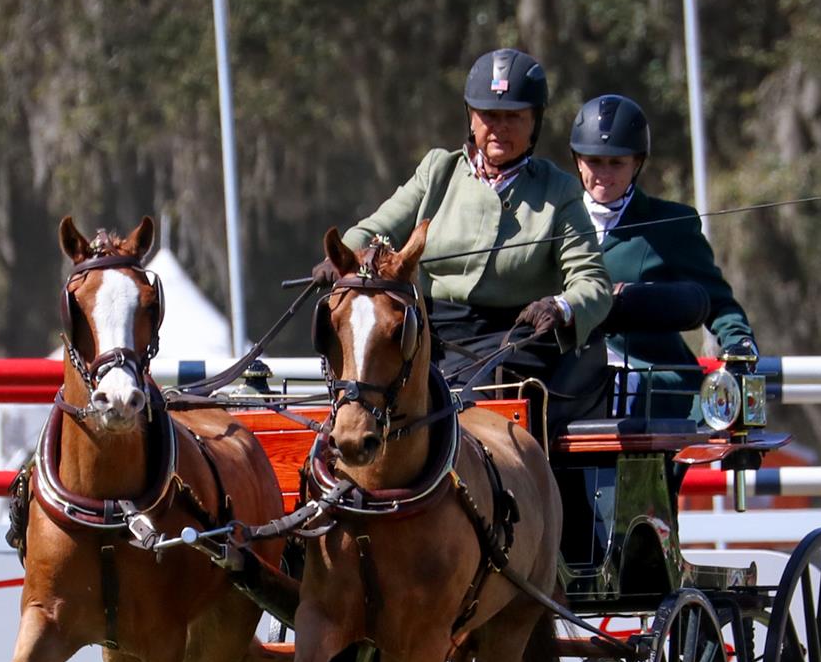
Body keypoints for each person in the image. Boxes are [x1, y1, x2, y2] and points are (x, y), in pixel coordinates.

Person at [313, 48, 612, 430]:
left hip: (513, 343)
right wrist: (343, 260)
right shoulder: (439, 170)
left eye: (513, 118)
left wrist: (561, 307)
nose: (499, 128)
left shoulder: (560, 191)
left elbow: (593, 282)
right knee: (363, 389)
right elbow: (377, 226)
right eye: (489, 116)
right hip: (428, 338)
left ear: (534, 123)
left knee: (466, 408)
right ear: (471, 118)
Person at [568, 94, 757, 417]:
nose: (604, 174)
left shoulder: (670, 225)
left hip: (647, 377)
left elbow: (718, 302)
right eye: (594, 161)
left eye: (616, 163)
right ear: (578, 161)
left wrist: (739, 344)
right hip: (568, 374)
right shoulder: (557, 218)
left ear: (637, 163)